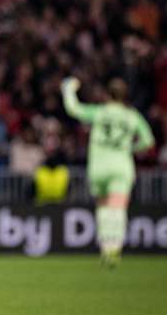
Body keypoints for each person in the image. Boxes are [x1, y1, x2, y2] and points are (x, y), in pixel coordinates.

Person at [61, 77, 155, 267]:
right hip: (121, 165)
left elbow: (74, 109)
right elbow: (148, 141)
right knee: (117, 207)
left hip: (98, 166)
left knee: (103, 206)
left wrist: (68, 90)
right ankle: (115, 248)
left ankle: (105, 247)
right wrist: (130, 148)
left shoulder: (100, 112)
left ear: (107, 94)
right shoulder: (132, 116)